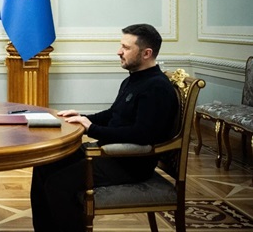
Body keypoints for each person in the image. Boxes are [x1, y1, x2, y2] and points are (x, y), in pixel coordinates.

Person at [30, 23, 178, 232]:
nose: (119, 51)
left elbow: (142, 134)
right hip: (109, 153)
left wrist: (91, 129)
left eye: (126, 47)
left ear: (146, 53)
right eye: (121, 46)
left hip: (129, 162)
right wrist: (81, 118)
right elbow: (113, 114)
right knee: (43, 165)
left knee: (58, 183)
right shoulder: (134, 79)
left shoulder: (157, 88)